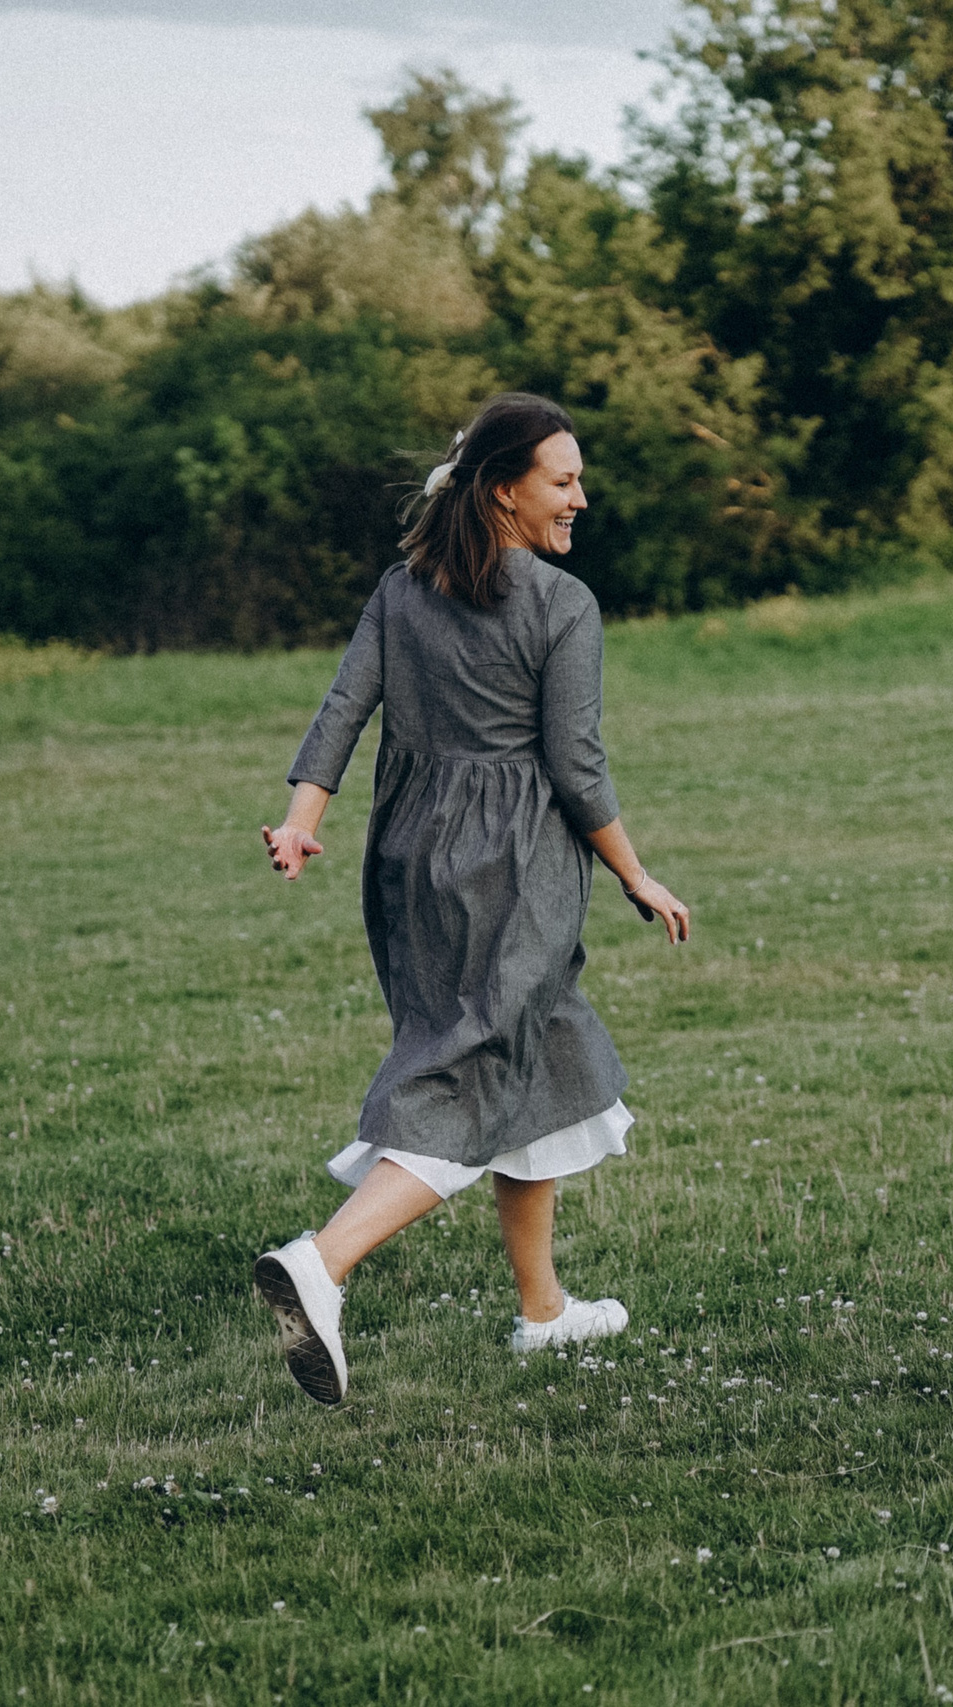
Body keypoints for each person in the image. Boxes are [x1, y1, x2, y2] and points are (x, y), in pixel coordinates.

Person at [251, 391, 691, 1407]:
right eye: (564, 480)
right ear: (503, 490)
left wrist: (303, 817)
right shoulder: (560, 607)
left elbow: (342, 707)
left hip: (411, 856)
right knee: (478, 1069)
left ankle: (544, 1311)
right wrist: (634, 872)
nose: (581, 497)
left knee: (539, 1051)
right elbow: (575, 768)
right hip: (513, 865)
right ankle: (324, 1261)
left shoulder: (403, 589)